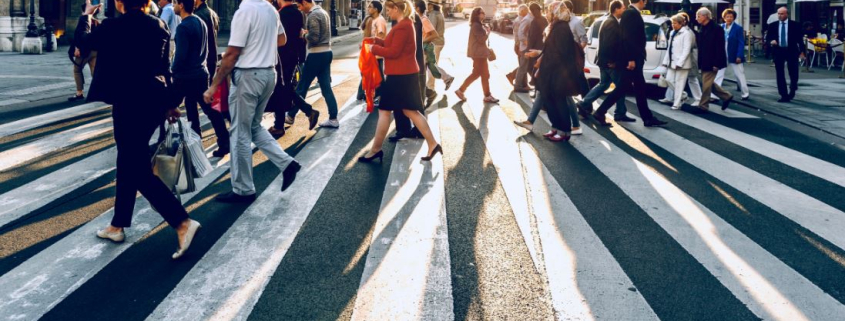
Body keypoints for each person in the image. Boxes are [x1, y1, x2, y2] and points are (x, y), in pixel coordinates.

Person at [78, 0, 200, 259]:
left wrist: (86, 17)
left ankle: (181, 222)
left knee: (135, 167)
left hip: (128, 104)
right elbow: (164, 68)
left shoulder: (113, 26)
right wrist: (169, 103)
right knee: (128, 160)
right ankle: (117, 225)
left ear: (120, 2)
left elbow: (83, 43)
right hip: (153, 102)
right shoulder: (159, 25)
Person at [203, 0, 301, 203]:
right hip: (268, 74)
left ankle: (243, 189)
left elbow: (232, 54)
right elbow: (282, 39)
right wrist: (260, 46)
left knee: (239, 133)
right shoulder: (271, 10)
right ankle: (287, 164)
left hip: (249, 76)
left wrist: (213, 86)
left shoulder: (245, 11)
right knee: (254, 126)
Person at [359, 0, 442, 163]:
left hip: (399, 76)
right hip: (404, 74)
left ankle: (375, 149)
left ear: (396, 8)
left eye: (389, 9)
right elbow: (390, 44)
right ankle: (433, 144)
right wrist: (375, 40)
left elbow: (394, 52)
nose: (387, 12)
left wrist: (374, 49)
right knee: (410, 111)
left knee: (385, 110)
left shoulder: (403, 26)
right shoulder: (404, 24)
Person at [591, 0, 666, 127]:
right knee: (625, 87)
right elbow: (628, 37)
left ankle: (647, 118)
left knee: (637, 87)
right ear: (641, 1)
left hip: (634, 58)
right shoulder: (631, 13)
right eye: (645, 1)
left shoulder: (630, 13)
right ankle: (600, 112)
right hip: (633, 59)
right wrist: (631, 59)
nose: (646, 3)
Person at [171, 0, 230, 157]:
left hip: (184, 76)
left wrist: (172, 71)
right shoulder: (200, 22)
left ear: (181, 5)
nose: (173, 6)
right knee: (208, 109)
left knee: (167, 106)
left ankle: (167, 144)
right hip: (200, 73)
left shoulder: (183, 27)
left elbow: (180, 56)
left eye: (175, 2)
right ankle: (224, 141)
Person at [535, 1, 588, 142]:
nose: (547, 13)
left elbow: (560, 52)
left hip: (558, 73)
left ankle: (564, 131)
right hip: (552, 71)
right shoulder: (555, 26)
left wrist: (547, 64)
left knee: (559, 101)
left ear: (556, 12)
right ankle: (556, 127)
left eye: (549, 10)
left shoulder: (561, 28)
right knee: (550, 100)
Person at [576, 0, 632, 122]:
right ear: (616, 9)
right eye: (623, 8)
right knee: (620, 87)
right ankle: (620, 113)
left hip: (604, 60)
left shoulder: (608, 20)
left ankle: (583, 103)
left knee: (604, 84)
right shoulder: (612, 23)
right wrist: (613, 61)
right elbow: (609, 44)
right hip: (609, 62)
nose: (624, 10)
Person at [286, 0, 337, 128]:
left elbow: (314, 38)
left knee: (302, 86)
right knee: (326, 87)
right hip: (327, 52)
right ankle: (333, 118)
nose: (300, 9)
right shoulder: (323, 12)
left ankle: (290, 116)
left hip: (316, 54)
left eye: (300, 6)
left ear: (304, 2)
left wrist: (304, 34)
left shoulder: (313, 15)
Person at [268, 0, 313, 136]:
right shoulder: (297, 13)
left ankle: (280, 125)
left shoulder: (282, 14)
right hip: (292, 56)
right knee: (283, 88)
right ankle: (282, 123)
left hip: (283, 57)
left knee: (282, 88)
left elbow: (280, 38)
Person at [454, 8, 498, 103]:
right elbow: (481, 40)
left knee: (482, 74)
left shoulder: (478, 25)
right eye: (482, 13)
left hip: (479, 53)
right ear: (477, 15)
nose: (484, 14)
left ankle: (485, 95)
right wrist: (488, 32)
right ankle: (462, 90)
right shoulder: (476, 25)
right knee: (481, 74)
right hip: (478, 54)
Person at [695, 7, 732, 112]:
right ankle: (726, 96)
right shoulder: (702, 27)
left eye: (698, 16)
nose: (697, 18)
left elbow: (719, 47)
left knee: (706, 85)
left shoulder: (716, 29)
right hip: (704, 60)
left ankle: (703, 105)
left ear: (705, 16)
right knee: (708, 83)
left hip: (712, 61)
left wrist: (716, 63)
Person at [766, 7, 805, 102]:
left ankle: (793, 87)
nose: (780, 16)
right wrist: (771, 41)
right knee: (779, 73)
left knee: (793, 72)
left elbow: (800, 40)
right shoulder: (773, 25)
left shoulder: (795, 25)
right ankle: (783, 94)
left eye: (782, 14)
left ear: (787, 14)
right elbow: (767, 38)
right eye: (778, 14)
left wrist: (802, 52)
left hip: (791, 50)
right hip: (778, 51)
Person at [714, 8, 750, 100]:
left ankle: (745, 93)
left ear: (734, 18)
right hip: (722, 53)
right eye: (727, 17)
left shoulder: (738, 28)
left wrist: (739, 55)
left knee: (739, 74)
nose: (729, 18)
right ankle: (715, 94)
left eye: (731, 17)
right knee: (719, 74)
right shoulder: (720, 27)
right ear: (724, 17)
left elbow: (741, 43)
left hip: (734, 54)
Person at [661, 14, 694, 110]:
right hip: (672, 61)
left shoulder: (686, 33)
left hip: (682, 63)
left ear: (681, 24)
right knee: (669, 80)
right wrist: (665, 61)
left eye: (675, 23)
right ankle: (683, 95)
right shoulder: (672, 32)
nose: (673, 25)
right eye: (672, 23)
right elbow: (669, 48)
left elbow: (686, 50)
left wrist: (680, 63)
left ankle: (677, 103)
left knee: (680, 83)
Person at [69, 3, 99, 102]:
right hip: (95, 51)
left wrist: (77, 48)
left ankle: (79, 93)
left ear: (83, 11)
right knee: (95, 72)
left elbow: (79, 36)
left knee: (77, 70)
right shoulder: (96, 22)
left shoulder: (83, 20)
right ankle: (98, 92)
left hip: (84, 51)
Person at [424, 0, 455, 98]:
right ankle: (435, 84)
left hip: (434, 43)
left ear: (431, 5)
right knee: (432, 64)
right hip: (440, 42)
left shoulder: (433, 15)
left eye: (428, 4)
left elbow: (431, 30)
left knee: (431, 65)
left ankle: (432, 87)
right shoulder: (439, 14)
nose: (426, 6)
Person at [193, 0, 220, 92]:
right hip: (212, 56)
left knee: (200, 93)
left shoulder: (199, 15)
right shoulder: (212, 13)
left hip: (204, 59)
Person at [507, 4, 530, 91]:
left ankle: (524, 84)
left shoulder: (522, 19)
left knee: (523, 65)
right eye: (526, 10)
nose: (528, 12)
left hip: (521, 45)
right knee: (523, 65)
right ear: (522, 11)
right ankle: (512, 76)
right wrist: (519, 47)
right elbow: (517, 35)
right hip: (519, 45)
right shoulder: (519, 21)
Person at [525, 2, 547, 91]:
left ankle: (538, 89)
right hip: (543, 47)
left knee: (532, 68)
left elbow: (532, 38)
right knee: (540, 69)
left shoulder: (534, 21)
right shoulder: (544, 19)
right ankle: (539, 88)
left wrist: (528, 51)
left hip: (535, 49)